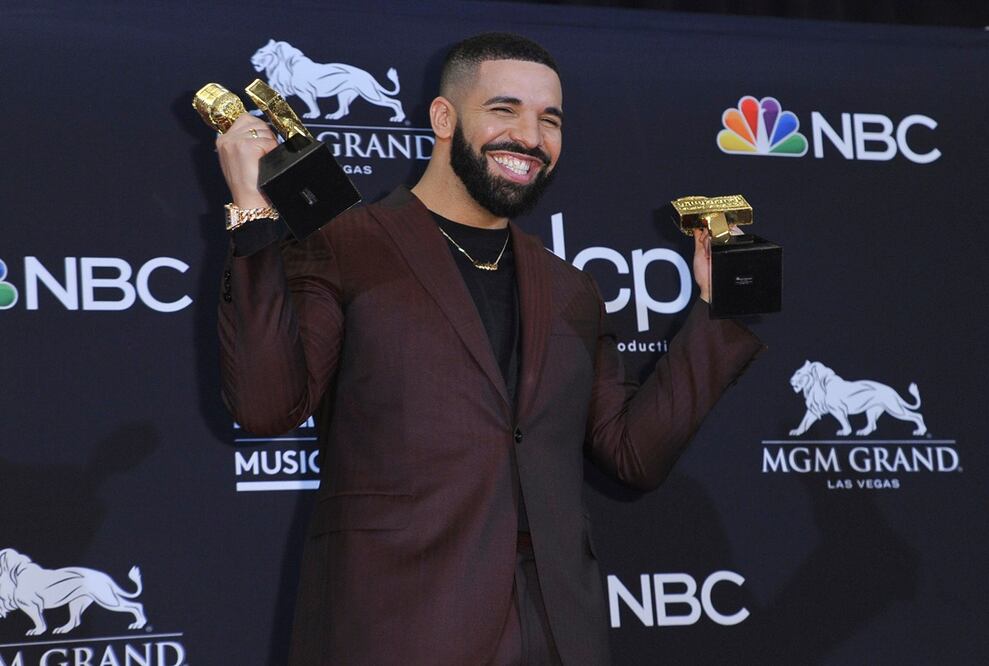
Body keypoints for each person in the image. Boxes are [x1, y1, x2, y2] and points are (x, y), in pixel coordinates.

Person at [215, 32, 762, 666]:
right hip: (398, 624)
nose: (530, 137)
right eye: (504, 110)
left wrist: (720, 312)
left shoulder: (571, 289)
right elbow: (265, 406)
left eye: (549, 119)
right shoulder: (346, 243)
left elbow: (632, 454)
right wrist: (254, 216)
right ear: (444, 118)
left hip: (557, 630)